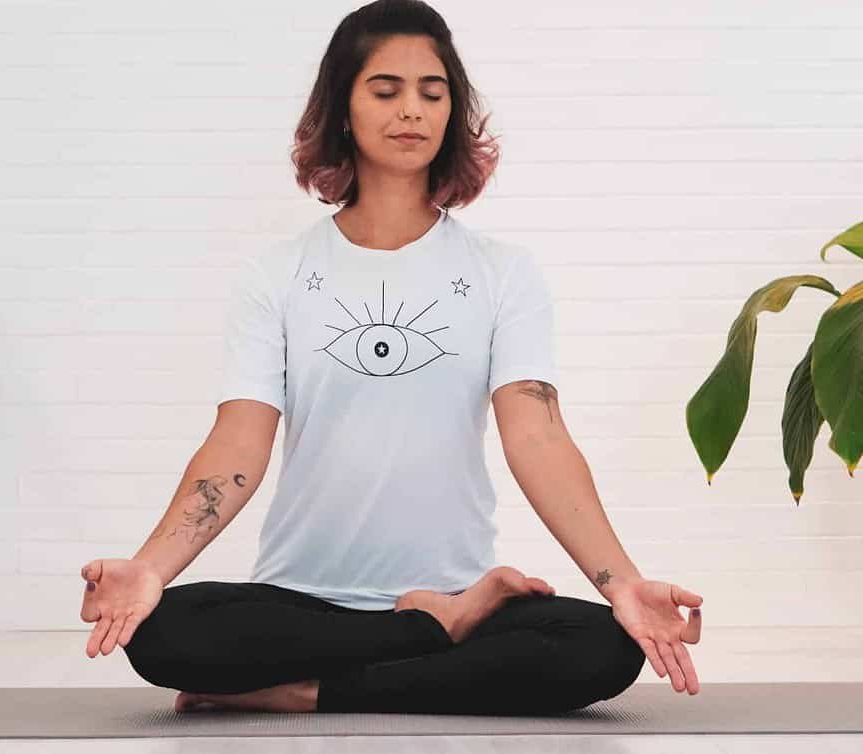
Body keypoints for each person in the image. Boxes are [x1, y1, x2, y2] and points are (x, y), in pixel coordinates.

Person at [78, 0, 704, 716]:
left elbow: (538, 436)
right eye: (386, 90)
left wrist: (621, 584)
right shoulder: (276, 274)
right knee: (160, 634)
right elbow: (237, 444)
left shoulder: (503, 272)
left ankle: (315, 689)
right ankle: (431, 630)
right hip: (301, 603)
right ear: (343, 108)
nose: (412, 110)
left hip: (455, 581)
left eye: (432, 93)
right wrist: (149, 569)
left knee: (602, 647)